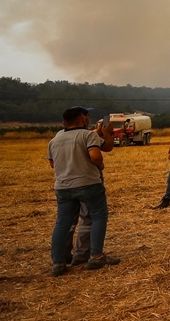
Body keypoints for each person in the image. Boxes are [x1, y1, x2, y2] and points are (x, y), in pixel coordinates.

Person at [48, 106, 119, 275]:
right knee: (98, 217)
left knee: (62, 223)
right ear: (83, 120)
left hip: (63, 186)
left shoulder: (54, 140)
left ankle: (58, 263)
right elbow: (98, 154)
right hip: (88, 184)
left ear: (64, 122)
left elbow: (53, 164)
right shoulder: (88, 135)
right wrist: (100, 163)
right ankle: (96, 256)